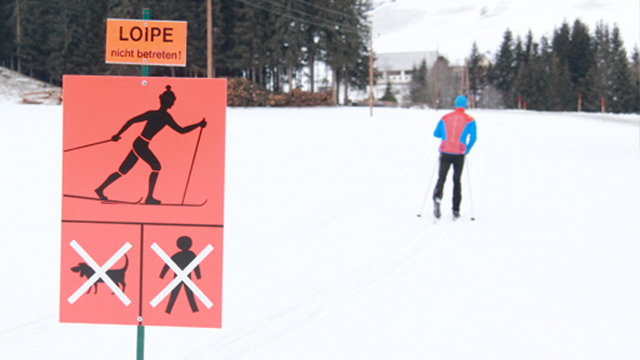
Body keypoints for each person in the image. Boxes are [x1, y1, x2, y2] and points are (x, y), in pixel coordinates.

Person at [95, 85, 206, 204]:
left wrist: (118, 134)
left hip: (140, 143)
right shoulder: (164, 117)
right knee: (156, 167)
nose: (173, 104)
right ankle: (149, 198)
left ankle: (100, 189)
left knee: (123, 171)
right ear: (168, 103)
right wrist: (198, 125)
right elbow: (181, 130)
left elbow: (132, 121)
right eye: (172, 102)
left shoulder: (155, 114)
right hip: (141, 145)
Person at [432, 95, 477, 219]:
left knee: (441, 178)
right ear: (465, 105)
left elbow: (436, 134)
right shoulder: (470, 120)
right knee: (457, 180)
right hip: (459, 153)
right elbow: (473, 138)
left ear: (455, 104)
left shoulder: (445, 117)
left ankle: (437, 197)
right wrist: (466, 149)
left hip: (445, 151)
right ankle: (456, 209)